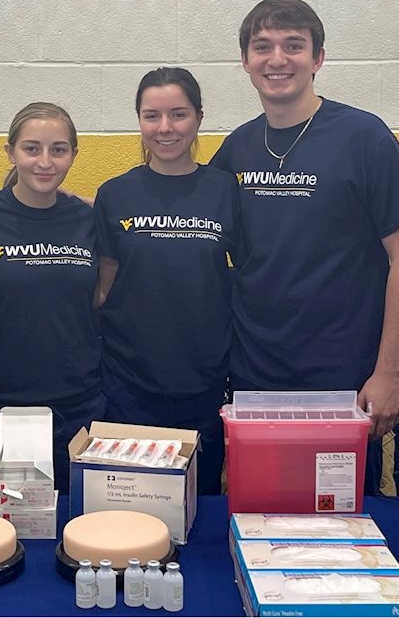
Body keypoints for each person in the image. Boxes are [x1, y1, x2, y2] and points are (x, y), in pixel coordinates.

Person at [208, 0, 399, 494]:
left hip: (345, 380)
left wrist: (389, 373)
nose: (277, 59)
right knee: (258, 512)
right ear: (245, 61)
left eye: (293, 46)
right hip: (255, 377)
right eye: (262, 47)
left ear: (318, 58)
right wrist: (102, 208)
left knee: (343, 525)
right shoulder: (237, 148)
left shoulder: (364, 138)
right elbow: (185, 216)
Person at [94, 67, 241, 495]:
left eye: (177, 114)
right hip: (128, 387)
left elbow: (249, 275)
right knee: (133, 510)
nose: (165, 128)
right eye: (151, 115)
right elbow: (105, 287)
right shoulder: (115, 194)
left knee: (200, 512)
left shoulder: (224, 190)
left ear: (198, 117)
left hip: (204, 385)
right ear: (139, 120)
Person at [0, 102, 103, 492]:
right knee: (15, 525)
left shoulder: (87, 220)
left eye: (59, 149)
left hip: (78, 404)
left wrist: (96, 204)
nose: (45, 162)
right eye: (32, 148)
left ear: (73, 155)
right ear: (11, 152)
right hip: (1, 409)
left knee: (76, 523)